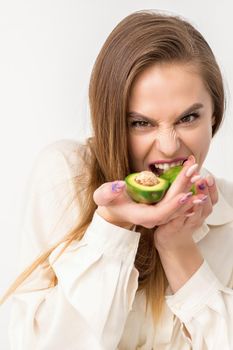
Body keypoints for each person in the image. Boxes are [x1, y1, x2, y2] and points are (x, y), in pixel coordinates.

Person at [1, 9, 233, 350]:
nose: (169, 146)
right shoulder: (67, 174)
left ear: (214, 114)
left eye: (188, 118)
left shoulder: (225, 212)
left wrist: (178, 247)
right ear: (111, 121)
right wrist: (113, 225)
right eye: (141, 123)